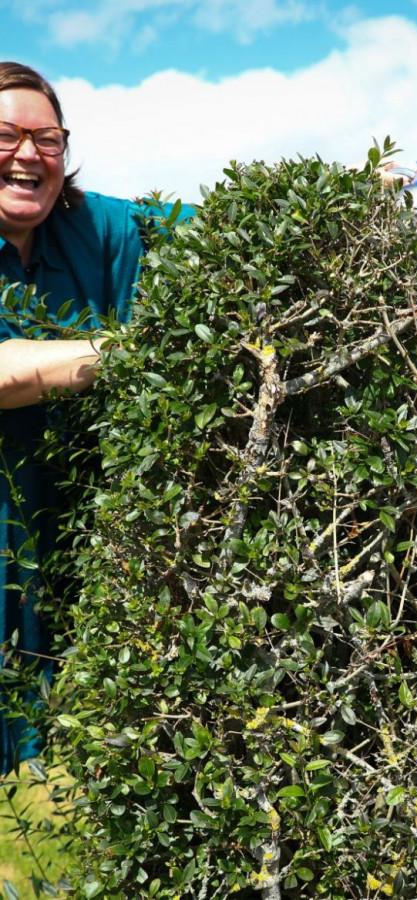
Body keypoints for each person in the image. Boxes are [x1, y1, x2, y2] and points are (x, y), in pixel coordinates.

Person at [0, 61, 188, 772]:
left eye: (47, 138)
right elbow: (7, 373)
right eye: (5, 135)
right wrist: (140, 352)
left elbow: (226, 227)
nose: (28, 154)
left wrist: (352, 195)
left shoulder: (97, 226)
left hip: (71, 563)